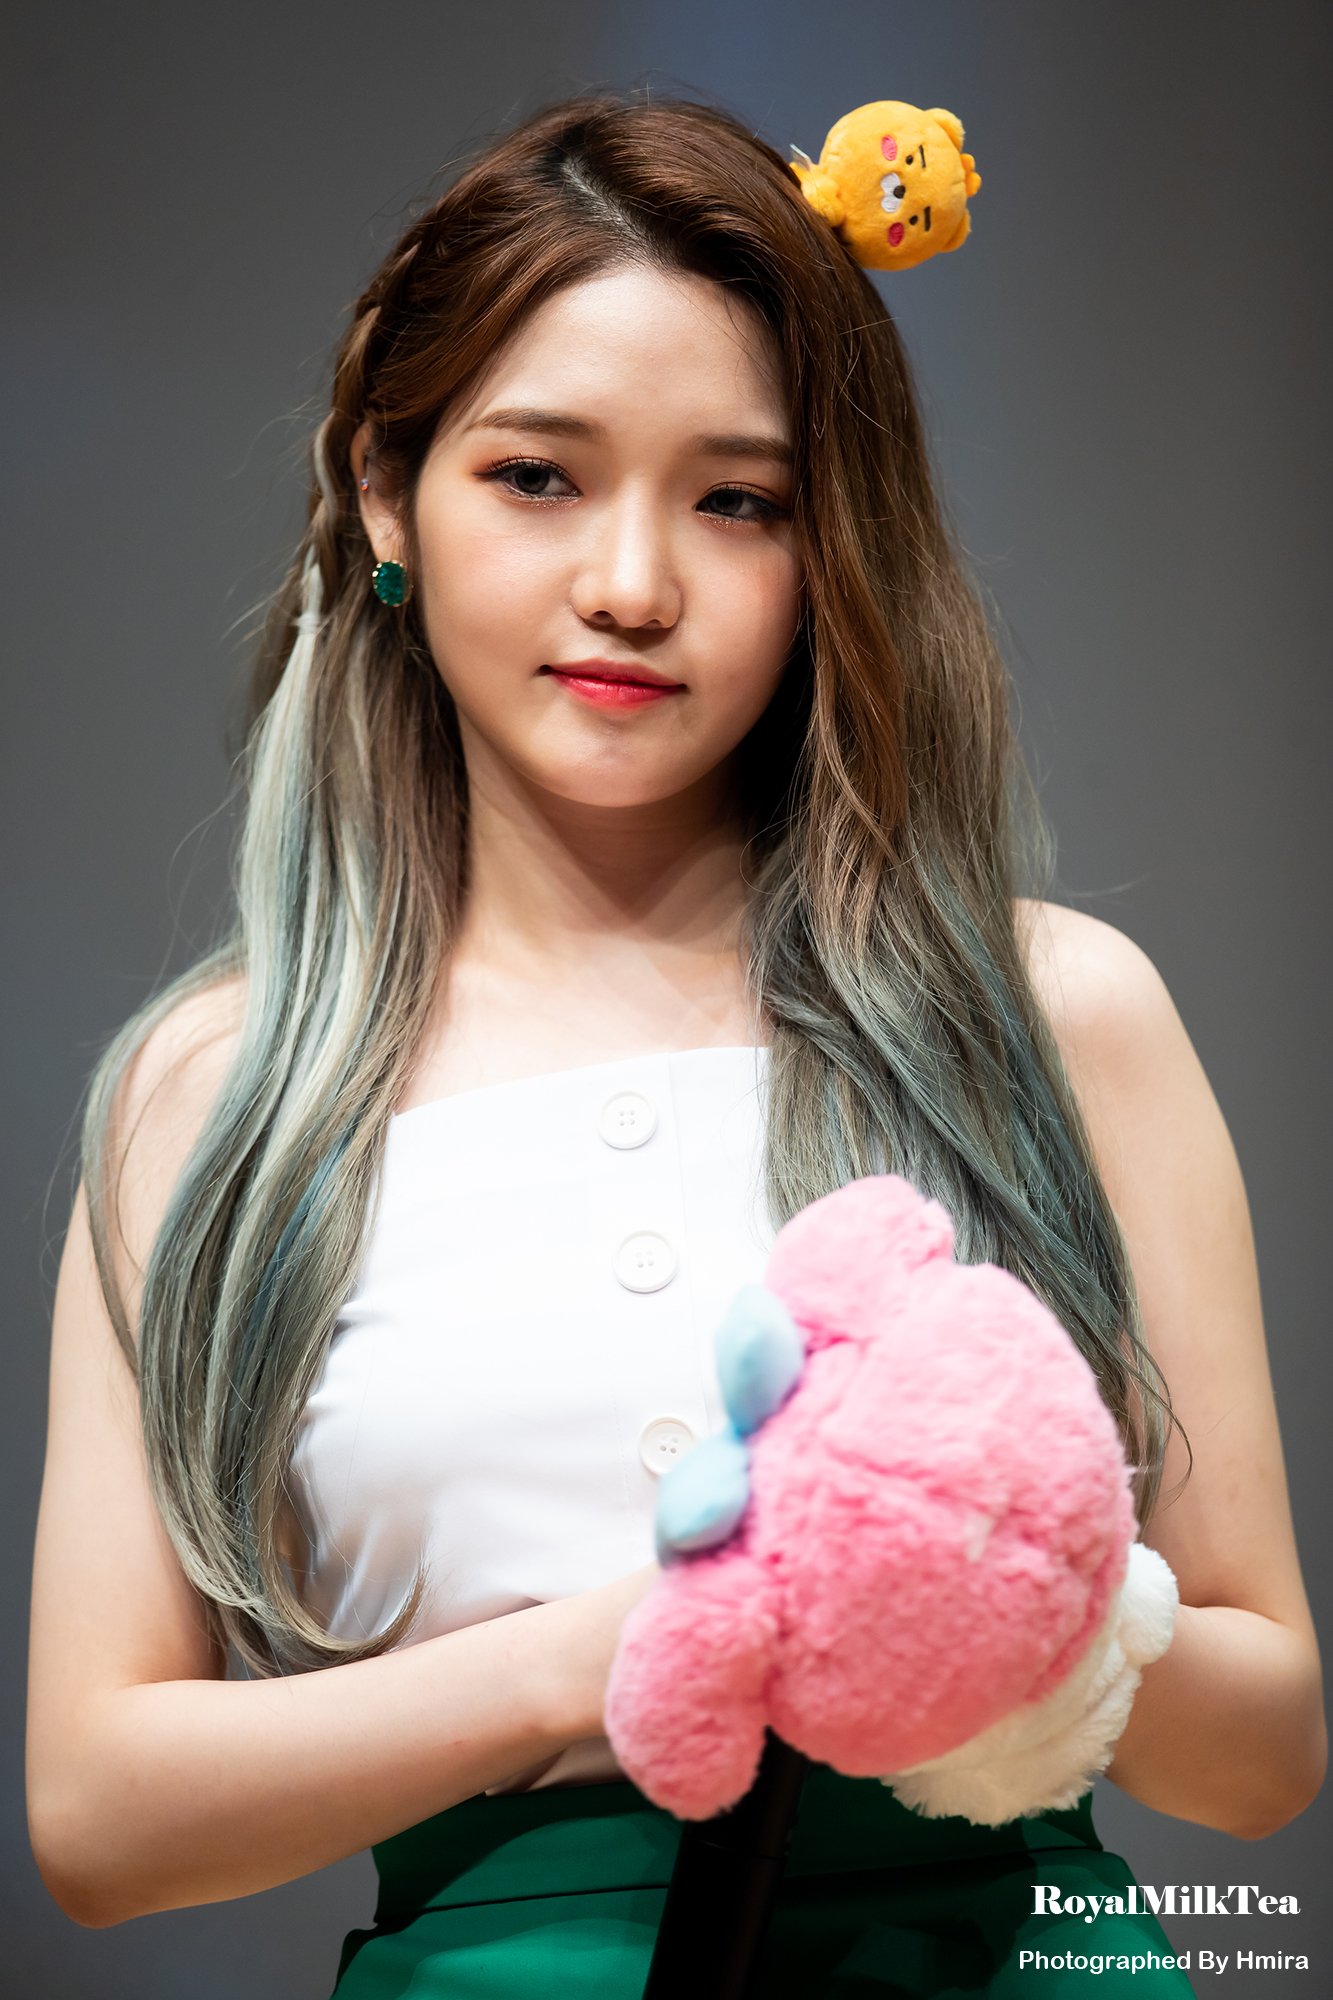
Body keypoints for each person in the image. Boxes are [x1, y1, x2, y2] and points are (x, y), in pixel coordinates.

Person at [26, 88, 1325, 1997]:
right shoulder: (214, 1098)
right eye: (535, 476)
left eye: (738, 501)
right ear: (384, 494)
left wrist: (999, 1605)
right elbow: (96, 1816)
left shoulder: (1054, 1010)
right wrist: (611, 1650)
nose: (632, 583)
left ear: (828, 545)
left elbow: (1266, 1749)